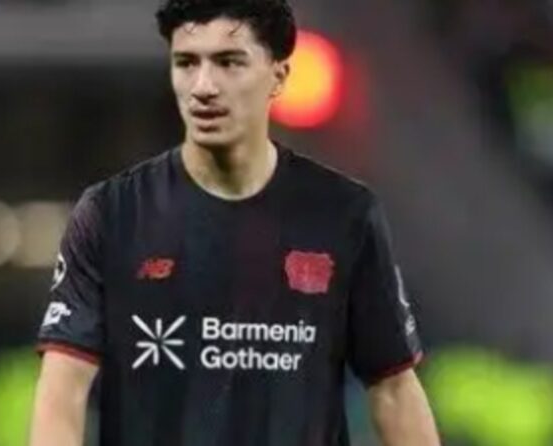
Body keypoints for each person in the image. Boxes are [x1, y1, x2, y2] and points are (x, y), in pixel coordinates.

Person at [30, 0, 441, 444]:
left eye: (229, 62)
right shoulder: (112, 214)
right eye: (187, 63)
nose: (203, 86)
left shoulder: (345, 215)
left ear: (278, 76)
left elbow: (394, 390)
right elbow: (63, 389)